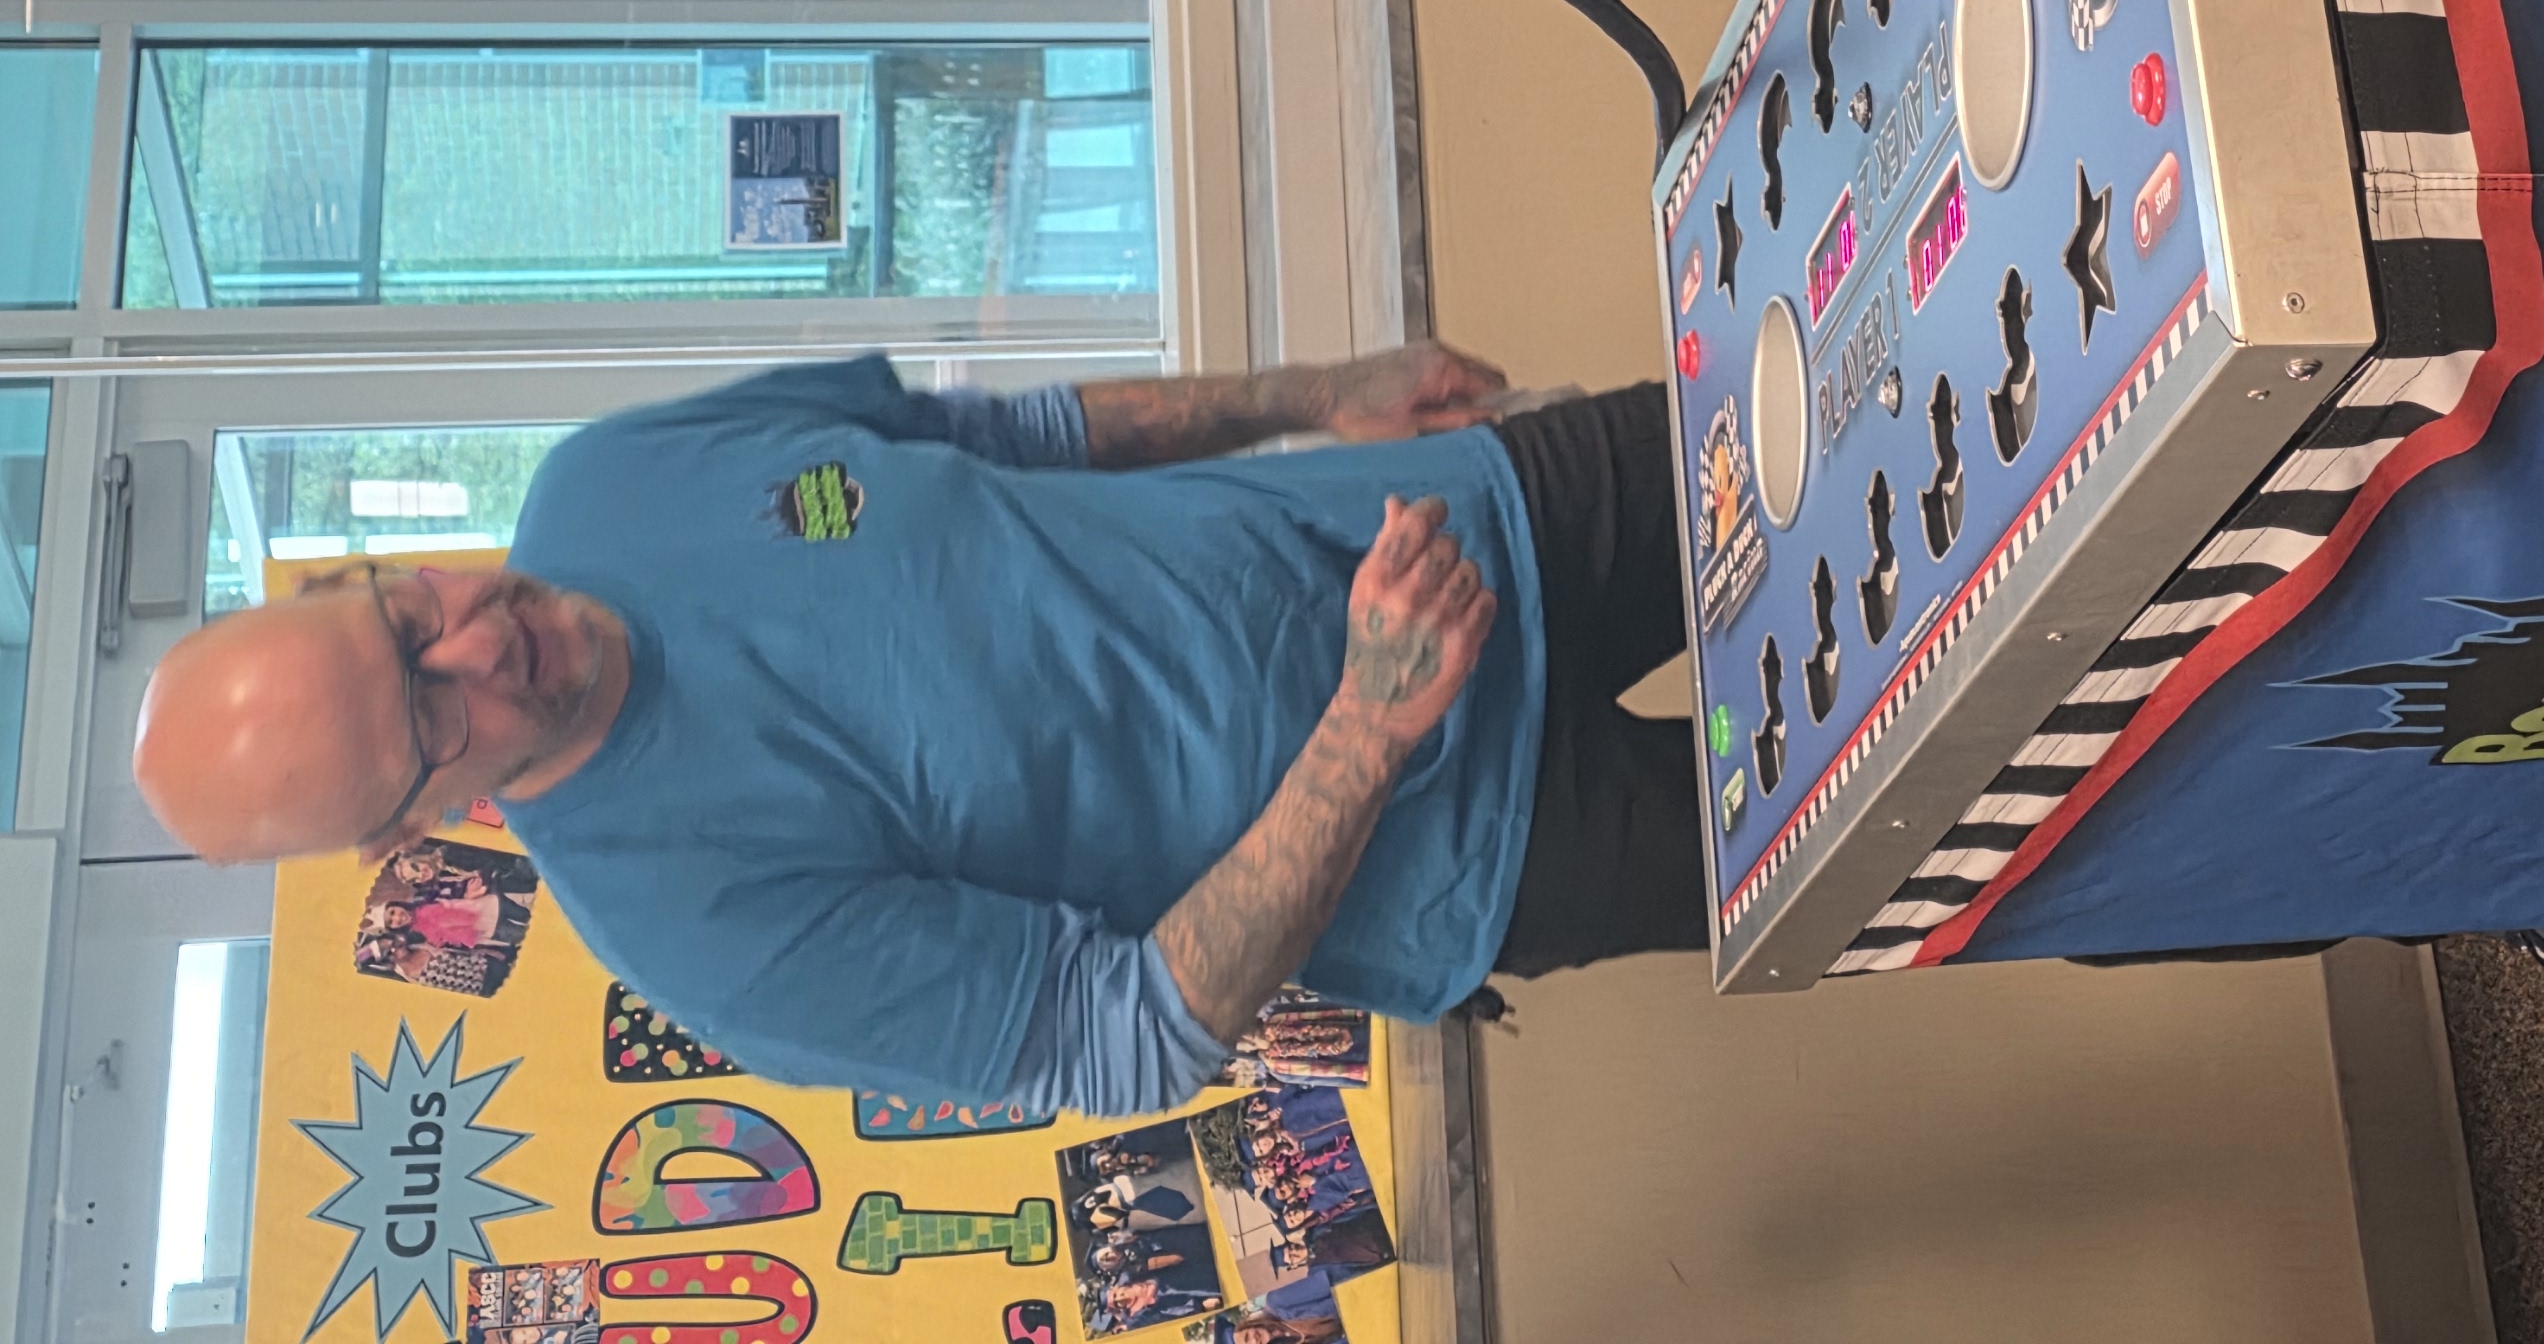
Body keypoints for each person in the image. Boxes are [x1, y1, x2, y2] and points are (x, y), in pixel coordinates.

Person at [130, 350, 1701, 1115]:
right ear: (413, 827)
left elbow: (976, 447)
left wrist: (1322, 387)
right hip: (1494, 843)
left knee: (1885, 387)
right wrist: (1367, 727)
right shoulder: (700, 924)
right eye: (432, 704)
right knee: (1936, 813)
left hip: (1457, 515)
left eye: (408, 614)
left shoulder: (605, 481)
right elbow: (1123, 1037)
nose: (481, 636)